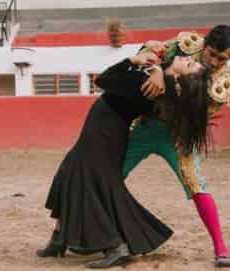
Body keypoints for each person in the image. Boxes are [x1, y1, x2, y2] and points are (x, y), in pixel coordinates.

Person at [36, 52, 211, 269]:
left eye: (190, 64)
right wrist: (155, 68)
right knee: (70, 171)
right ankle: (60, 238)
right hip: (107, 128)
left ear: (181, 81)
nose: (186, 58)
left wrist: (131, 61)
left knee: (89, 184)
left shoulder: (153, 84)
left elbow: (103, 80)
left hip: (105, 130)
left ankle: (115, 246)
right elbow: (164, 65)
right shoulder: (160, 78)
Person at [121, 25, 230, 267]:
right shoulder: (186, 44)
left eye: (221, 58)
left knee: (197, 185)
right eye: (212, 53)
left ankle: (221, 247)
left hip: (177, 136)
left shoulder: (222, 84)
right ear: (204, 44)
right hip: (145, 125)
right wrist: (155, 68)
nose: (214, 61)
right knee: (109, 174)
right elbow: (148, 52)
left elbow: (193, 116)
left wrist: (163, 78)